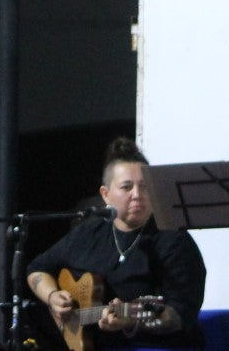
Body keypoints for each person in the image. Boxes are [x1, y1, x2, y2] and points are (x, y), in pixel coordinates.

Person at [24, 138, 208, 349]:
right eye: (126, 187)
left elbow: (181, 312)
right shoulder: (89, 232)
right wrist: (52, 296)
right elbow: (36, 269)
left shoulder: (173, 240)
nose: (137, 195)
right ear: (106, 194)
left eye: (144, 187)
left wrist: (133, 320)